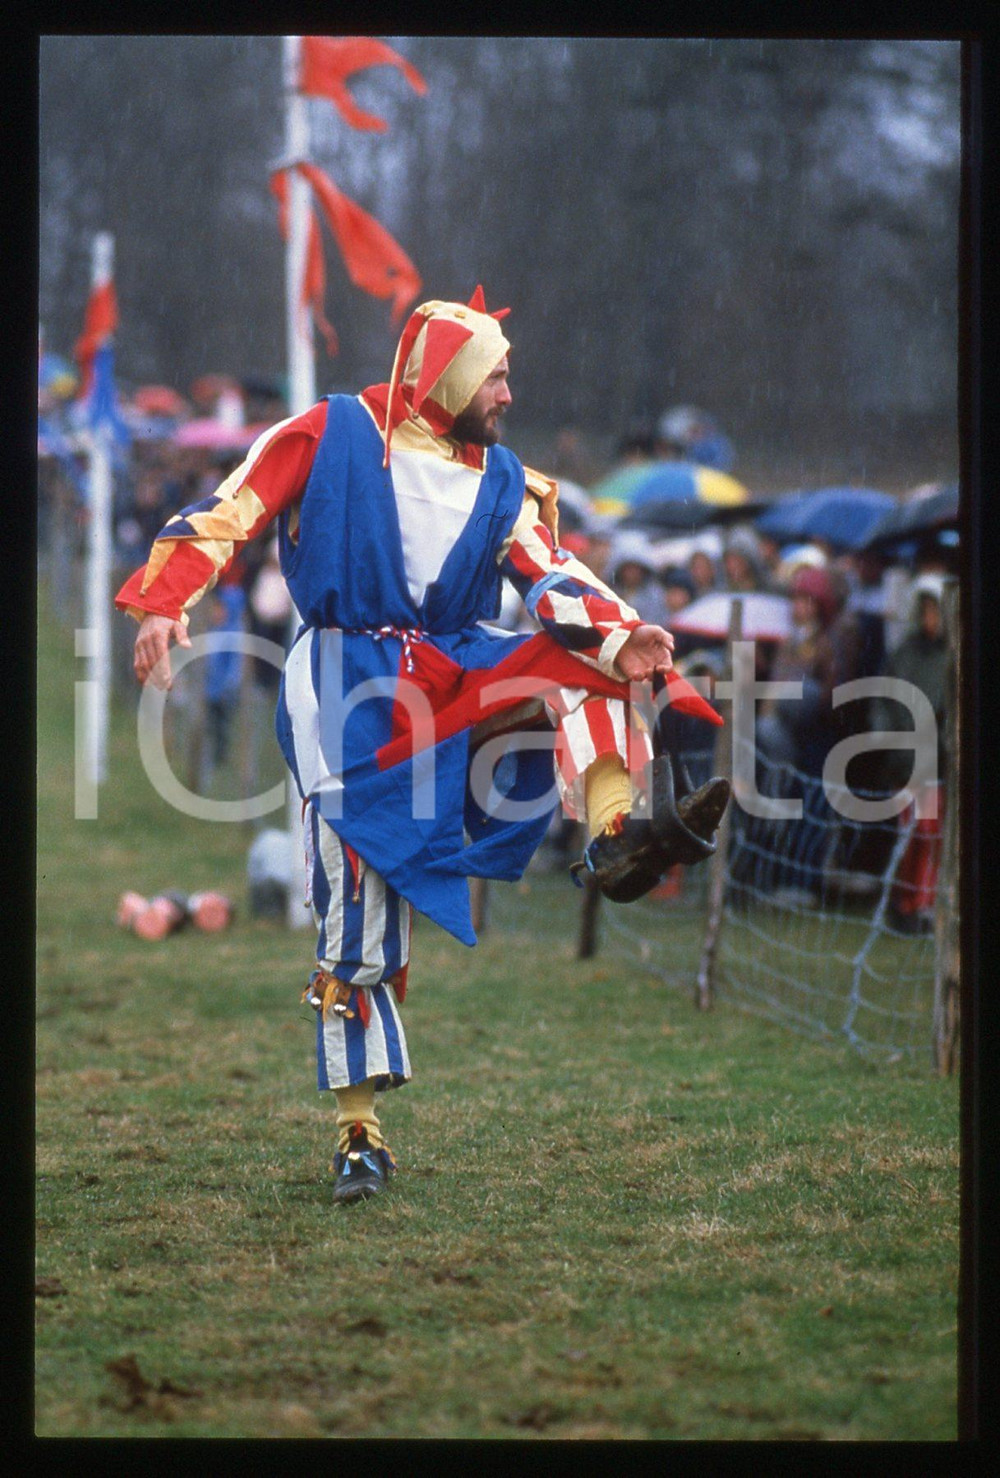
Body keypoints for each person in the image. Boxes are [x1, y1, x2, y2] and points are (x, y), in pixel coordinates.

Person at [116, 287, 729, 1204]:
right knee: (357, 908)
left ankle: (613, 839)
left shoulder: (501, 478)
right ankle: (358, 1131)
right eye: (496, 376)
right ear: (446, 373)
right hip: (347, 687)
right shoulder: (332, 434)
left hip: (452, 666)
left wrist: (622, 633)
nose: (509, 395)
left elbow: (552, 572)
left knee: (585, 664)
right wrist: (164, 603)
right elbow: (229, 509)